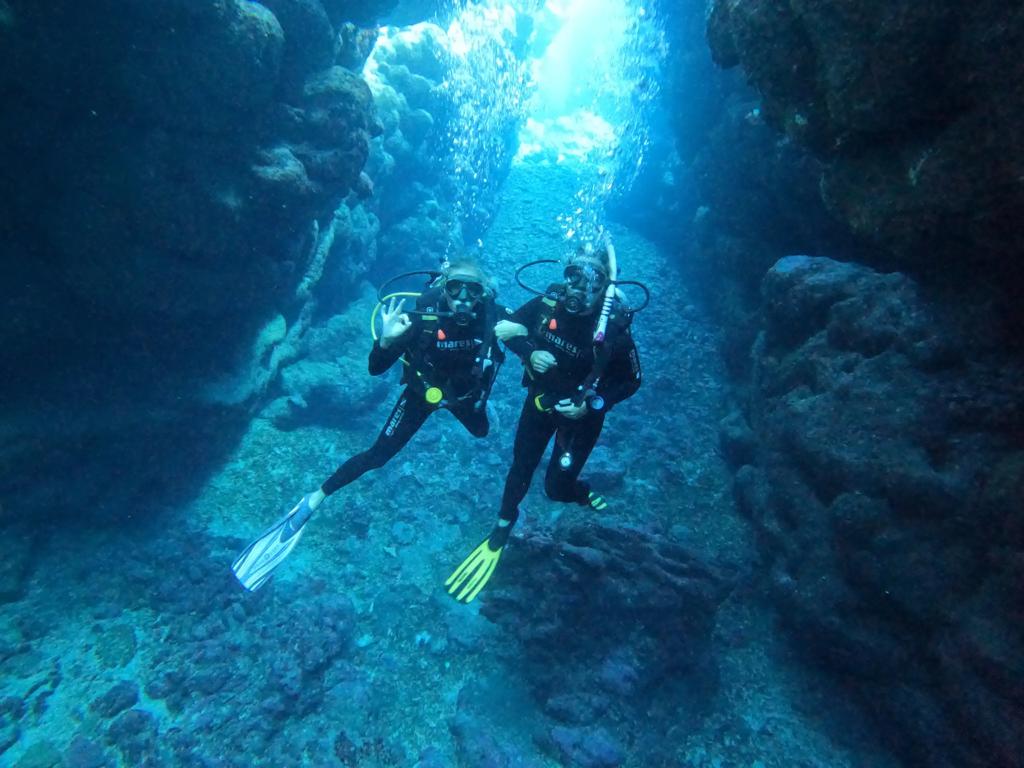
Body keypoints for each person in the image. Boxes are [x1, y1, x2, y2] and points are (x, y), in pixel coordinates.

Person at [233, 260, 509, 591]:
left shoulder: (494, 317)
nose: (463, 298)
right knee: (377, 455)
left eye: (473, 290)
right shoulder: (420, 320)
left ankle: (479, 406)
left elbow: (533, 338)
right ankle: (313, 500)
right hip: (422, 395)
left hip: (463, 397)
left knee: (482, 431)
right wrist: (387, 341)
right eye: (455, 288)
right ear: (444, 288)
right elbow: (376, 369)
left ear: (484, 293)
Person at [446, 241, 642, 603]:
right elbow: (508, 329)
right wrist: (530, 352)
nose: (578, 288)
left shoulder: (613, 330)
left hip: (580, 420)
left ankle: (579, 492)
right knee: (520, 467)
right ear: (564, 275)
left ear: (605, 287)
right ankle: (501, 531)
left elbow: (631, 380)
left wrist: (595, 404)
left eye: (592, 281)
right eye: (572, 276)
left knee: (555, 488)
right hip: (538, 403)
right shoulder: (547, 304)